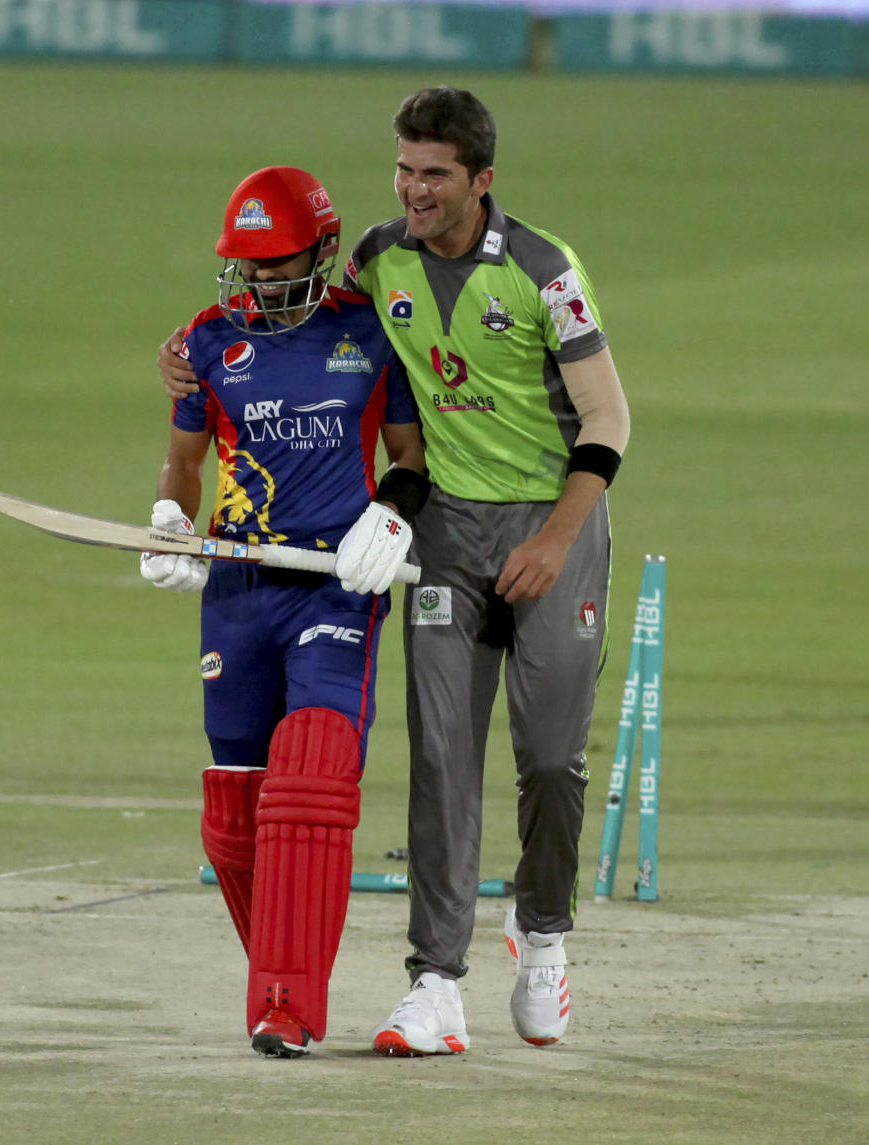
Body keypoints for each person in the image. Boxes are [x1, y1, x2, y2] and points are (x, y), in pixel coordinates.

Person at [157, 88, 630, 1057]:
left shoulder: (543, 270)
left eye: (435, 174)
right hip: (447, 531)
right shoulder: (379, 258)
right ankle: (437, 981)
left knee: (546, 757)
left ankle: (541, 936)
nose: (415, 190)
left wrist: (548, 536)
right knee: (442, 755)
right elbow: (288, 342)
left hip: (551, 524)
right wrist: (185, 371)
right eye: (405, 170)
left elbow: (608, 420)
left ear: (481, 180)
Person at [141, 164, 426, 1059]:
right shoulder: (208, 341)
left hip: (337, 582)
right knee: (235, 811)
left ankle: (287, 1008)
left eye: (276, 262)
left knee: (309, 778)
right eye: (247, 264)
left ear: (322, 250)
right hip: (239, 590)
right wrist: (169, 523)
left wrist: (392, 513)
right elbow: (184, 463)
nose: (259, 279)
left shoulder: (370, 334)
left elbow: (410, 457)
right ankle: (279, 982)